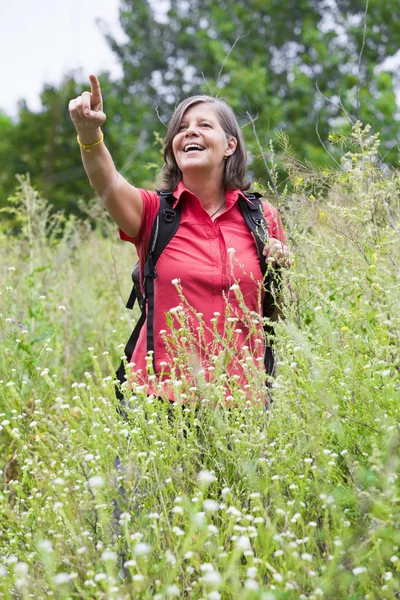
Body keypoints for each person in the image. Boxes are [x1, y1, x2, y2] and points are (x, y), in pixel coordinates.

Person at [69, 74, 292, 405]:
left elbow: (277, 313)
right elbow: (108, 184)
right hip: (160, 401)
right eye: (182, 127)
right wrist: (90, 135)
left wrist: (281, 269)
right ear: (174, 147)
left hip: (242, 405)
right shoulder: (154, 213)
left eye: (205, 125)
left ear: (230, 145)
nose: (190, 131)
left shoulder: (261, 216)